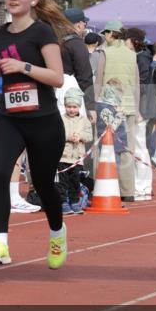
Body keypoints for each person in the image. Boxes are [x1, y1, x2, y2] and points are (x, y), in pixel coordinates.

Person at [0, 0, 66, 270]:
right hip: (9, 118)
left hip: (43, 120)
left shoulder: (42, 33)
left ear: (34, 0)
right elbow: (3, 65)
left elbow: (56, 77)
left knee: (42, 183)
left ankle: (57, 232)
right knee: (0, 174)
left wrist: (24, 67)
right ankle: (0, 242)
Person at [99, 22, 140, 201]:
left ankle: (102, 187)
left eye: (105, 33)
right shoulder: (132, 55)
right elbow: (137, 84)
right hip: (128, 105)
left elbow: (99, 81)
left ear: (110, 34)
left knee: (104, 146)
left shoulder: (105, 53)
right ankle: (127, 191)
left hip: (108, 105)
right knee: (126, 149)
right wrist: (136, 108)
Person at [124, 27, 153, 201]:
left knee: (140, 146)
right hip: (138, 106)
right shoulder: (142, 56)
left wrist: (138, 109)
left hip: (140, 107)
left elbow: (141, 84)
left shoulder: (141, 58)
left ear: (133, 40)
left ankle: (143, 186)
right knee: (138, 146)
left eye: (126, 39)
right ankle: (141, 184)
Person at [58, 87, 93, 216]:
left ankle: (74, 201)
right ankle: (63, 202)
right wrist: (68, 137)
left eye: (74, 107)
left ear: (79, 107)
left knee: (75, 182)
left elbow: (89, 135)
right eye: (69, 106)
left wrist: (80, 136)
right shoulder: (61, 119)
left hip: (77, 158)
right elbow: (57, 133)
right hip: (63, 157)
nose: (71, 109)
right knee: (62, 182)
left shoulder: (84, 121)